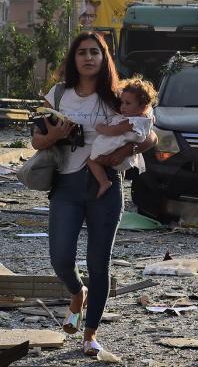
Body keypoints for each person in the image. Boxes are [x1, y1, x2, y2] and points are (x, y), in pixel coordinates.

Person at [31, 31, 157, 356]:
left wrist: (127, 148)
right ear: (73, 59)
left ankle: (90, 334)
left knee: (99, 263)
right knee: (60, 258)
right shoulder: (58, 95)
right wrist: (55, 133)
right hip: (66, 185)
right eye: (82, 52)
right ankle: (77, 292)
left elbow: (152, 135)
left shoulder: (117, 97)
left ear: (104, 59)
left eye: (95, 52)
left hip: (106, 187)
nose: (88, 58)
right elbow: (36, 141)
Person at [87, 76, 156, 198]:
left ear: (143, 107)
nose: (122, 107)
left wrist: (101, 128)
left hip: (115, 149)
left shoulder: (132, 121)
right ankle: (104, 182)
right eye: (122, 102)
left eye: (127, 103)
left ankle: (104, 182)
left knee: (91, 161)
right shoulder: (144, 118)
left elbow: (114, 131)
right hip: (121, 154)